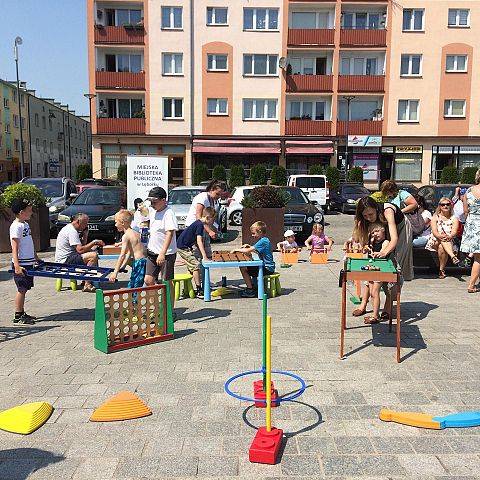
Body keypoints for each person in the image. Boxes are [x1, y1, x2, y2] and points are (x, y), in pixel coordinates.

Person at [144, 187, 178, 305]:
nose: (152, 204)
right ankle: (156, 308)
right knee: (148, 280)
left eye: (155, 201)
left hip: (166, 254)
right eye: (151, 201)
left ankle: (169, 311)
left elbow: (170, 233)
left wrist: (162, 253)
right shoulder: (153, 210)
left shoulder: (169, 213)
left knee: (166, 283)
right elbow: (144, 212)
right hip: (152, 252)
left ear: (164, 200)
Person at [55, 213, 105, 292]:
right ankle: (87, 284)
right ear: (78, 221)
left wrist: (85, 235)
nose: (86, 226)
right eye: (85, 223)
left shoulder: (71, 229)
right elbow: (80, 250)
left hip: (70, 256)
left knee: (92, 252)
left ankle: (86, 279)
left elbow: (82, 247)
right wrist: (94, 242)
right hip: (65, 260)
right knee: (93, 255)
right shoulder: (72, 231)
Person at [10, 198, 41, 324]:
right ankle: (18, 315)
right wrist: (17, 265)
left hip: (28, 262)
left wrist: (35, 257)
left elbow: (29, 243)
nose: (31, 212)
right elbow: (14, 247)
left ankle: (22, 312)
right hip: (21, 263)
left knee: (25, 288)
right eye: (29, 211)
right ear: (22, 212)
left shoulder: (25, 224)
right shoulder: (16, 226)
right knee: (21, 289)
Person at [176, 207, 216, 298]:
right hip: (182, 247)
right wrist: (205, 256)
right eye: (213, 220)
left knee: (192, 266)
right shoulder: (200, 225)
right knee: (196, 265)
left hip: (185, 246)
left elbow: (195, 241)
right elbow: (199, 241)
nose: (212, 223)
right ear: (208, 217)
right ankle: (199, 290)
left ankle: (188, 289)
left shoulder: (199, 223)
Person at [231, 221, 275, 298]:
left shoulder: (263, 241)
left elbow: (248, 250)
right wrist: (249, 246)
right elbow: (255, 249)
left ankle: (250, 290)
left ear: (260, 232)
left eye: (254, 233)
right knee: (247, 265)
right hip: (268, 267)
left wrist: (236, 249)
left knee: (243, 267)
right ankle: (252, 287)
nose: (252, 235)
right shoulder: (264, 240)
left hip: (267, 268)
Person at [359, 222, 391, 325]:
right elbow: (364, 251)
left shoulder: (385, 242)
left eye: (377, 231)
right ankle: (374, 313)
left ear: (383, 231)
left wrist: (377, 253)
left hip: (380, 270)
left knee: (374, 292)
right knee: (370, 289)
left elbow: (382, 252)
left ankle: (375, 316)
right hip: (372, 269)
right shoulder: (372, 242)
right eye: (372, 233)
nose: (375, 234)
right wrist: (366, 248)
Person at [108, 210, 147, 288]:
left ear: (122, 223)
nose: (115, 225)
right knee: (135, 284)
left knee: (134, 286)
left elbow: (122, 255)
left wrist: (115, 273)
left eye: (116, 222)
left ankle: (134, 300)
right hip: (144, 261)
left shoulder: (126, 236)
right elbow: (130, 252)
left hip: (139, 262)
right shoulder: (136, 232)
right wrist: (124, 266)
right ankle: (134, 299)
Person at [426, 197, 461, 278]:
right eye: (443, 205)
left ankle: (441, 270)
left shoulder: (454, 218)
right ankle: (452, 256)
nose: (445, 206)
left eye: (448, 204)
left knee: (442, 247)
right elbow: (434, 232)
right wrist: (441, 236)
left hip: (449, 240)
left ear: (451, 206)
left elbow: (454, 232)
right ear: (440, 206)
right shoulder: (435, 217)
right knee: (442, 240)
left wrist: (449, 236)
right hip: (435, 240)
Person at [460, 170, 480, 293]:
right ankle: (471, 285)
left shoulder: (469, 191)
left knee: (478, 257)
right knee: (478, 259)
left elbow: (465, 211)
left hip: (473, 224)